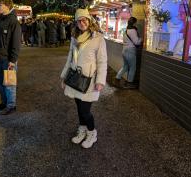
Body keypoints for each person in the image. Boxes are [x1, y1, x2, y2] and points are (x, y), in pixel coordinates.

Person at [60, 8, 107, 149]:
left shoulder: (98, 38)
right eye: (79, 21)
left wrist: (100, 81)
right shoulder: (74, 38)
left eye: (84, 20)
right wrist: (64, 76)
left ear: (89, 20)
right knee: (79, 109)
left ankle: (92, 133)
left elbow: (102, 61)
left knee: (85, 111)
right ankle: (82, 130)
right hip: (75, 79)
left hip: (89, 80)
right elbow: (70, 58)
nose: (82, 23)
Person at [0, 0, 21, 115]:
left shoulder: (14, 22)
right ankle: (4, 102)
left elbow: (16, 42)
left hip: (8, 59)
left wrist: (13, 60)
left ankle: (11, 106)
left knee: (9, 83)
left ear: (7, 6)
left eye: (0, 5)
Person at [115, 16, 142, 89]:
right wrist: (141, 39)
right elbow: (136, 42)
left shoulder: (127, 29)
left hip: (124, 50)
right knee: (133, 67)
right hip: (130, 50)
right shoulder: (133, 30)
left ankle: (117, 79)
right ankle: (129, 83)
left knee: (125, 66)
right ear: (134, 23)